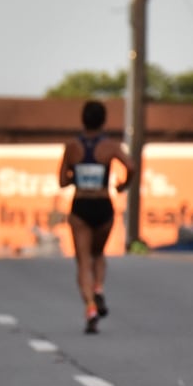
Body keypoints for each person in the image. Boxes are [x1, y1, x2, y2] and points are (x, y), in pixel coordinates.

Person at [58, 100, 135, 334]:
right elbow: (130, 166)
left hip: (81, 205)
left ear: (83, 119)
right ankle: (99, 288)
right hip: (103, 205)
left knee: (83, 261)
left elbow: (62, 181)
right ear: (103, 121)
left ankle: (90, 306)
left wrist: (76, 177)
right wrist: (123, 185)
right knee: (98, 254)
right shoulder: (109, 146)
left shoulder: (72, 146)